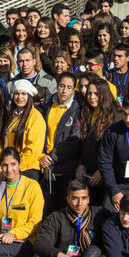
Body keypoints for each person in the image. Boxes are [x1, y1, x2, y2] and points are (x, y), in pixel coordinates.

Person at [39, 72, 82, 210]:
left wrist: (52, 157)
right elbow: (41, 134)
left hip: (65, 169)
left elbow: (74, 140)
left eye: (69, 87)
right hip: (46, 167)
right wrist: (42, 155)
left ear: (74, 90)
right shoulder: (48, 105)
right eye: (62, 86)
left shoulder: (77, 110)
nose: (64, 90)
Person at [3, 79, 47, 179]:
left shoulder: (35, 117)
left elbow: (33, 150)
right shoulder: (13, 115)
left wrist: (17, 167)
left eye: (24, 94)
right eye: (16, 94)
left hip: (26, 170)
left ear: (29, 96)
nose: (20, 97)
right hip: (12, 168)